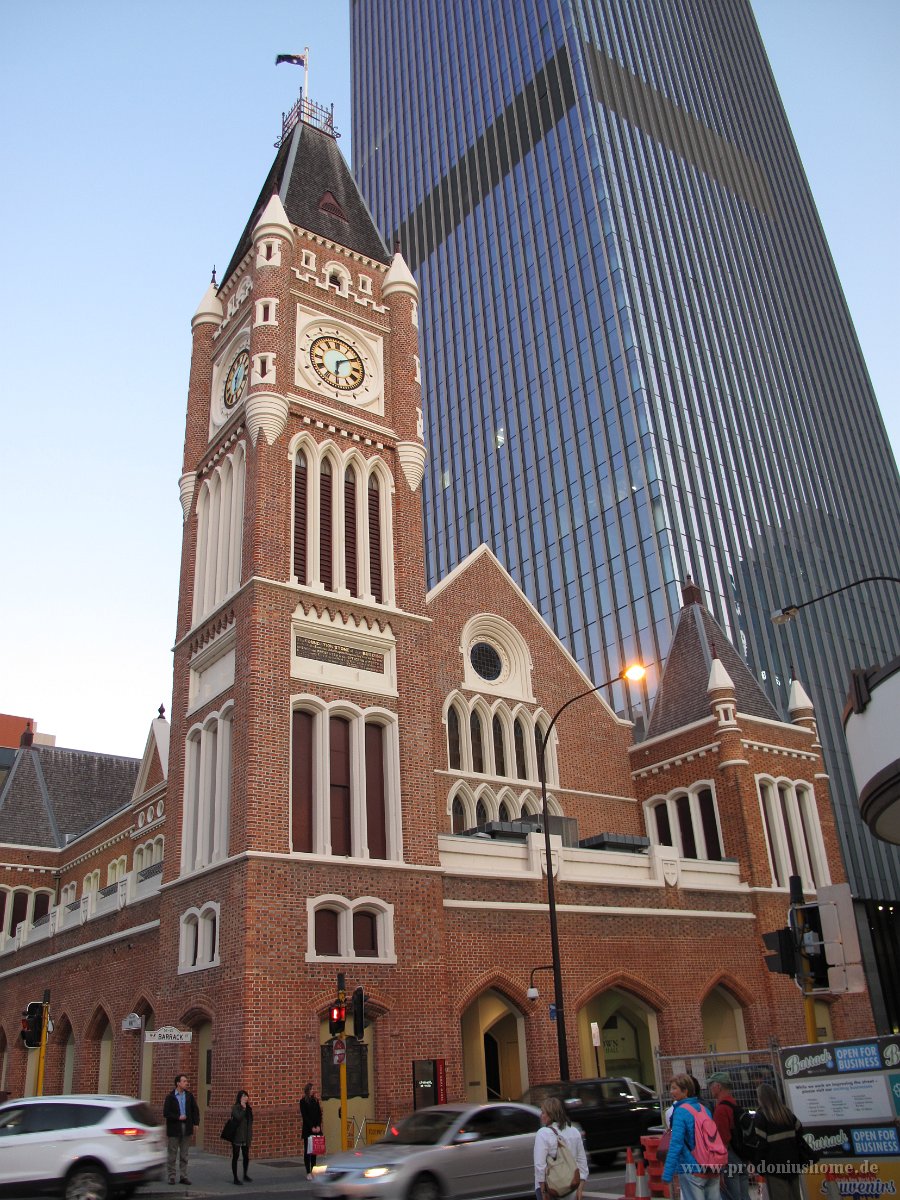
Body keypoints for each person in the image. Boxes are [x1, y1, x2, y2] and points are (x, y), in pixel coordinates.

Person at [746, 1083, 813, 1200]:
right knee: (795, 1195)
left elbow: (761, 1145)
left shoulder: (762, 1116)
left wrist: (759, 1166)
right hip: (792, 1164)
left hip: (774, 1168)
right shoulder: (786, 1113)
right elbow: (800, 1131)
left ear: (761, 1099)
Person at [661, 1074, 720, 1200]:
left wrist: (667, 1173)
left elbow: (676, 1143)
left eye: (674, 1088)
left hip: (691, 1167)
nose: (671, 1092)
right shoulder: (704, 1109)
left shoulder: (680, 1112)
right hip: (711, 1166)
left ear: (685, 1090)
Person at [534, 1095, 589, 1200]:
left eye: (543, 1112)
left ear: (551, 1114)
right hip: (571, 1187)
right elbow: (582, 1162)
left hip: (551, 1188)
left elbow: (540, 1165)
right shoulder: (574, 1131)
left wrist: (543, 1191)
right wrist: (580, 1188)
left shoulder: (543, 1134)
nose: (541, 1116)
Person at [708, 1072, 750, 1200]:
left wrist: (719, 1168)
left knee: (732, 1195)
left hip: (729, 1159)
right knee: (744, 1195)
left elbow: (722, 1140)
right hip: (741, 1156)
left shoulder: (721, 1109)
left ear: (718, 1086)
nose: (710, 1088)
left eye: (711, 1085)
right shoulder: (735, 1104)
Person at [163, 1073, 200, 1186]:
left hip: (186, 1127)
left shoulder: (189, 1096)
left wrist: (196, 1123)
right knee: (172, 1153)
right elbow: (166, 1113)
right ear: (178, 1083)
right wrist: (177, 1117)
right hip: (174, 1127)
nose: (186, 1083)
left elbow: (195, 1110)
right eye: (184, 1081)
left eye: (186, 1081)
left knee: (184, 1154)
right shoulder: (170, 1097)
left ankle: (183, 1176)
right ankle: (171, 1176)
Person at [228, 1090, 254, 1185]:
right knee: (236, 1156)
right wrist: (243, 1109)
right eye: (243, 1096)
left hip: (246, 1135)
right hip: (237, 1135)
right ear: (239, 1098)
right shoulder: (235, 1107)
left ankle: (245, 1174)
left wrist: (250, 1134)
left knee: (246, 1155)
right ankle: (235, 1177)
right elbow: (238, 1118)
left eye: (246, 1096)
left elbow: (250, 1121)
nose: (245, 1098)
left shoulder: (249, 1108)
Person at [300, 1081, 323, 1180]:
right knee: (307, 1151)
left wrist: (318, 1126)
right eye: (312, 1089)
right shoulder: (303, 1101)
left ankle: (313, 1170)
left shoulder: (316, 1101)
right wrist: (311, 1127)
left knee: (314, 1151)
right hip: (308, 1130)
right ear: (308, 1090)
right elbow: (305, 1116)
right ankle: (308, 1172)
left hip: (316, 1129)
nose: (314, 1091)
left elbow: (319, 1114)